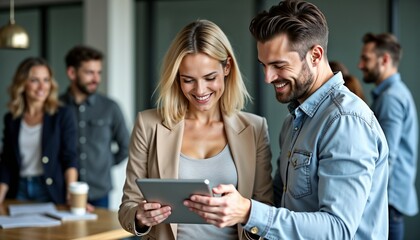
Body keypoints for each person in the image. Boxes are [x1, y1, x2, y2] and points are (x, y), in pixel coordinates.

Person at [183, 1, 389, 239]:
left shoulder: (345, 121)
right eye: (264, 65)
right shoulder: (294, 122)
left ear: (315, 55)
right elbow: (280, 203)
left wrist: (248, 212)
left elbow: (338, 229)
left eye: (278, 66)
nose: (268, 78)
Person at [118, 19, 273, 239]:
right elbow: (127, 207)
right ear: (176, 78)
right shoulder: (149, 125)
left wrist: (245, 214)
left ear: (227, 67)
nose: (200, 90)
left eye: (210, 78)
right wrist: (140, 218)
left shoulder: (254, 129)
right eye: (188, 80)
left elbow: (264, 209)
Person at [358, 32, 418, 240]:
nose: (360, 65)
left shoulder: (390, 98)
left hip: (387, 201)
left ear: (384, 60)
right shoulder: (395, 93)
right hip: (391, 200)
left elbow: (386, 157)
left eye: (366, 58)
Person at [0, 57, 78, 204]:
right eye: (35, 80)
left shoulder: (62, 114)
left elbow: (70, 157)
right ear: (22, 83)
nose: (42, 87)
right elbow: (7, 161)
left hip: (49, 190)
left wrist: (71, 192)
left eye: (46, 80)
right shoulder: (11, 119)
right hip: (18, 189)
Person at [60, 45, 130, 209]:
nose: (96, 79)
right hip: (62, 191)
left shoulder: (110, 107)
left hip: (99, 192)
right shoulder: (56, 107)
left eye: (99, 72)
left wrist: (103, 163)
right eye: (89, 72)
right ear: (72, 73)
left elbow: (126, 146)